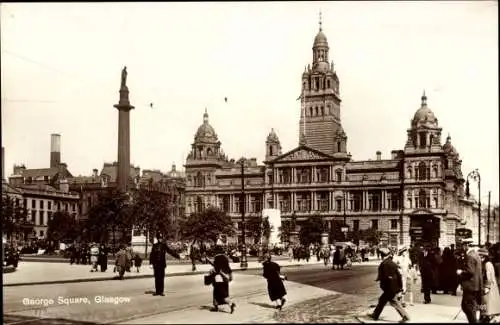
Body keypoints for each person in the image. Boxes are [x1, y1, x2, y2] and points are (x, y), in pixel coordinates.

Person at [370, 247, 410, 323]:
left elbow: (387, 277)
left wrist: (386, 286)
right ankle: (375, 315)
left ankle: (405, 317)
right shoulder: (391, 263)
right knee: (382, 300)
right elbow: (398, 275)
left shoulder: (385, 264)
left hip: (389, 288)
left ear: (382, 255)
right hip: (392, 287)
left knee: (394, 302)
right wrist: (400, 286)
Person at [456, 239, 483, 323]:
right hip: (475, 285)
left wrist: (461, 272)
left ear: (466, 246)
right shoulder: (476, 255)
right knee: (469, 306)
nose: (462, 247)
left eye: (462, 245)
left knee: (467, 306)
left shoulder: (470, 256)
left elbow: (470, 271)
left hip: (470, 286)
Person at [478, 248, 500, 323]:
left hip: (489, 286)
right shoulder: (484, 263)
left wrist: (487, 286)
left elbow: (489, 276)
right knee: (485, 302)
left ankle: (488, 317)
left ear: (483, 256)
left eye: (480, 256)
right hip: (488, 285)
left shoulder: (487, 264)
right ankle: (485, 316)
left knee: (487, 302)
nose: (479, 258)